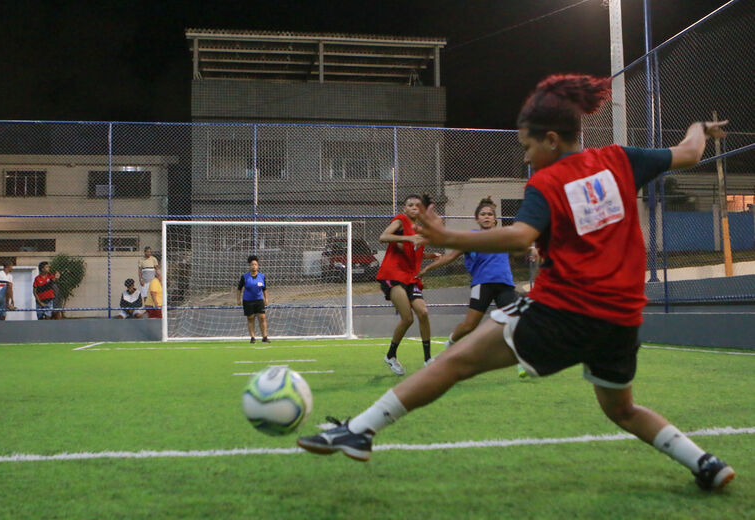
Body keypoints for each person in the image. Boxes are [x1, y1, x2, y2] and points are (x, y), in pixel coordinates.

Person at [297, 74, 735, 491]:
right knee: (622, 409)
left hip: (564, 311)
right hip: (620, 321)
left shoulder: (547, 182)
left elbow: (520, 236)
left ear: (551, 139)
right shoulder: (620, 160)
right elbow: (691, 152)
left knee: (454, 362)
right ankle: (705, 463)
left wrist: (450, 235)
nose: (524, 157)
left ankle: (359, 431)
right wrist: (699, 126)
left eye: (527, 147)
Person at [416, 197, 533, 377]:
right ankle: (449, 346)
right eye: (483, 214)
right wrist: (428, 268)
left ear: (495, 219)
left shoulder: (504, 235)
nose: (486, 217)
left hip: (505, 286)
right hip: (482, 285)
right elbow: (449, 257)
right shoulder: (470, 238)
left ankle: (521, 362)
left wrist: (532, 250)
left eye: (490, 214)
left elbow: (521, 246)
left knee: (514, 321)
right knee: (469, 325)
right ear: (477, 219)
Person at [376, 194, 442, 375]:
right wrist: (407, 238)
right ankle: (391, 355)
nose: (413, 207)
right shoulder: (401, 220)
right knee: (407, 318)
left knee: (423, 312)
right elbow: (383, 237)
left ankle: (428, 359)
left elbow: (414, 251)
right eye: (410, 205)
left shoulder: (419, 230)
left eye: (417, 205)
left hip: (411, 278)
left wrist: (431, 255)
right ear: (404, 209)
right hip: (393, 275)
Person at [237, 255, 270, 343]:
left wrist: (266, 299)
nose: (254, 266)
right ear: (249, 266)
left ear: (258, 266)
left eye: (255, 264)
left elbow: (265, 289)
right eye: (252, 264)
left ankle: (265, 337)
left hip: (259, 300)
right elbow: (239, 289)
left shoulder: (262, 276)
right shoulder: (245, 277)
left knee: (262, 317)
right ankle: (253, 337)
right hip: (248, 301)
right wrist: (238, 299)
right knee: (251, 318)